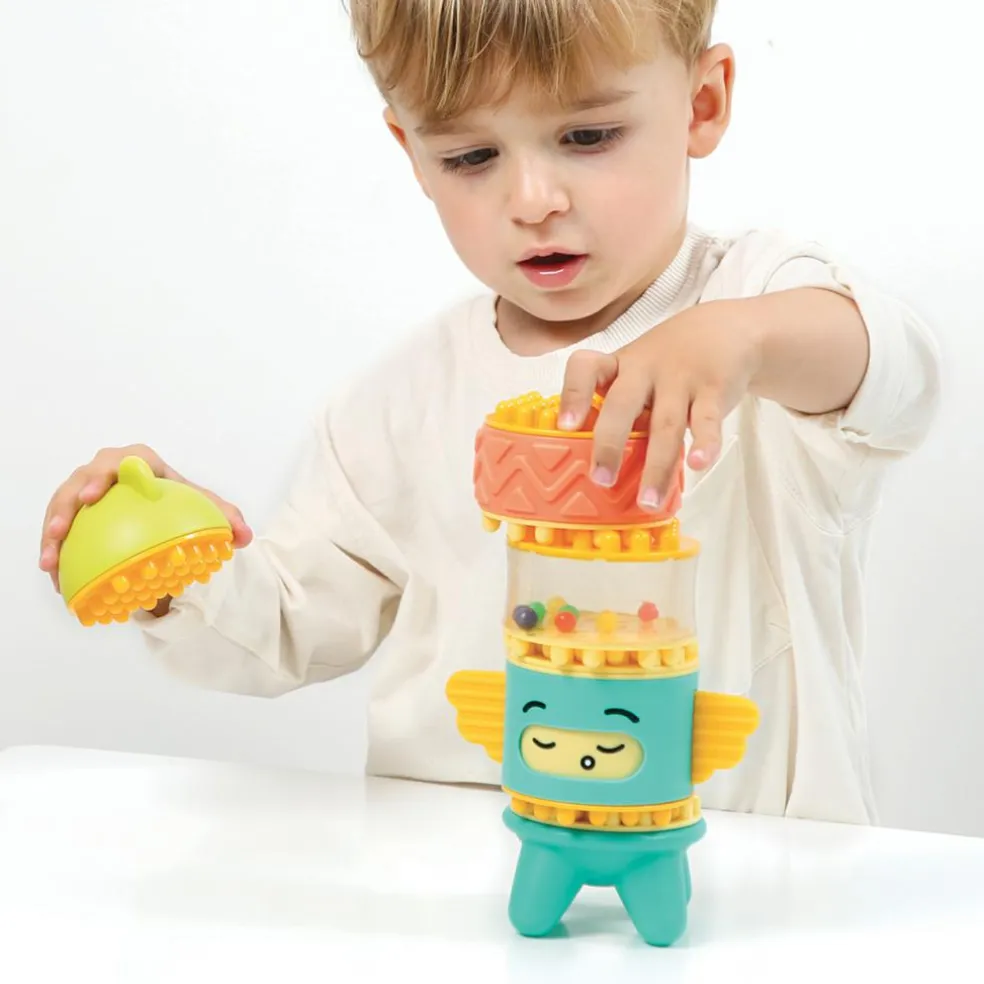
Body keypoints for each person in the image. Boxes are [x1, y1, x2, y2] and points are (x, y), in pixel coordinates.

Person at [37, 0, 940, 825]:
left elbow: (896, 372)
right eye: (470, 157)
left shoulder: (760, 302)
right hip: (462, 867)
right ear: (411, 153)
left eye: (588, 136)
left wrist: (744, 339)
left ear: (701, 104)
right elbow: (284, 625)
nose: (533, 201)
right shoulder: (396, 401)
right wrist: (177, 562)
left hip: (753, 868)